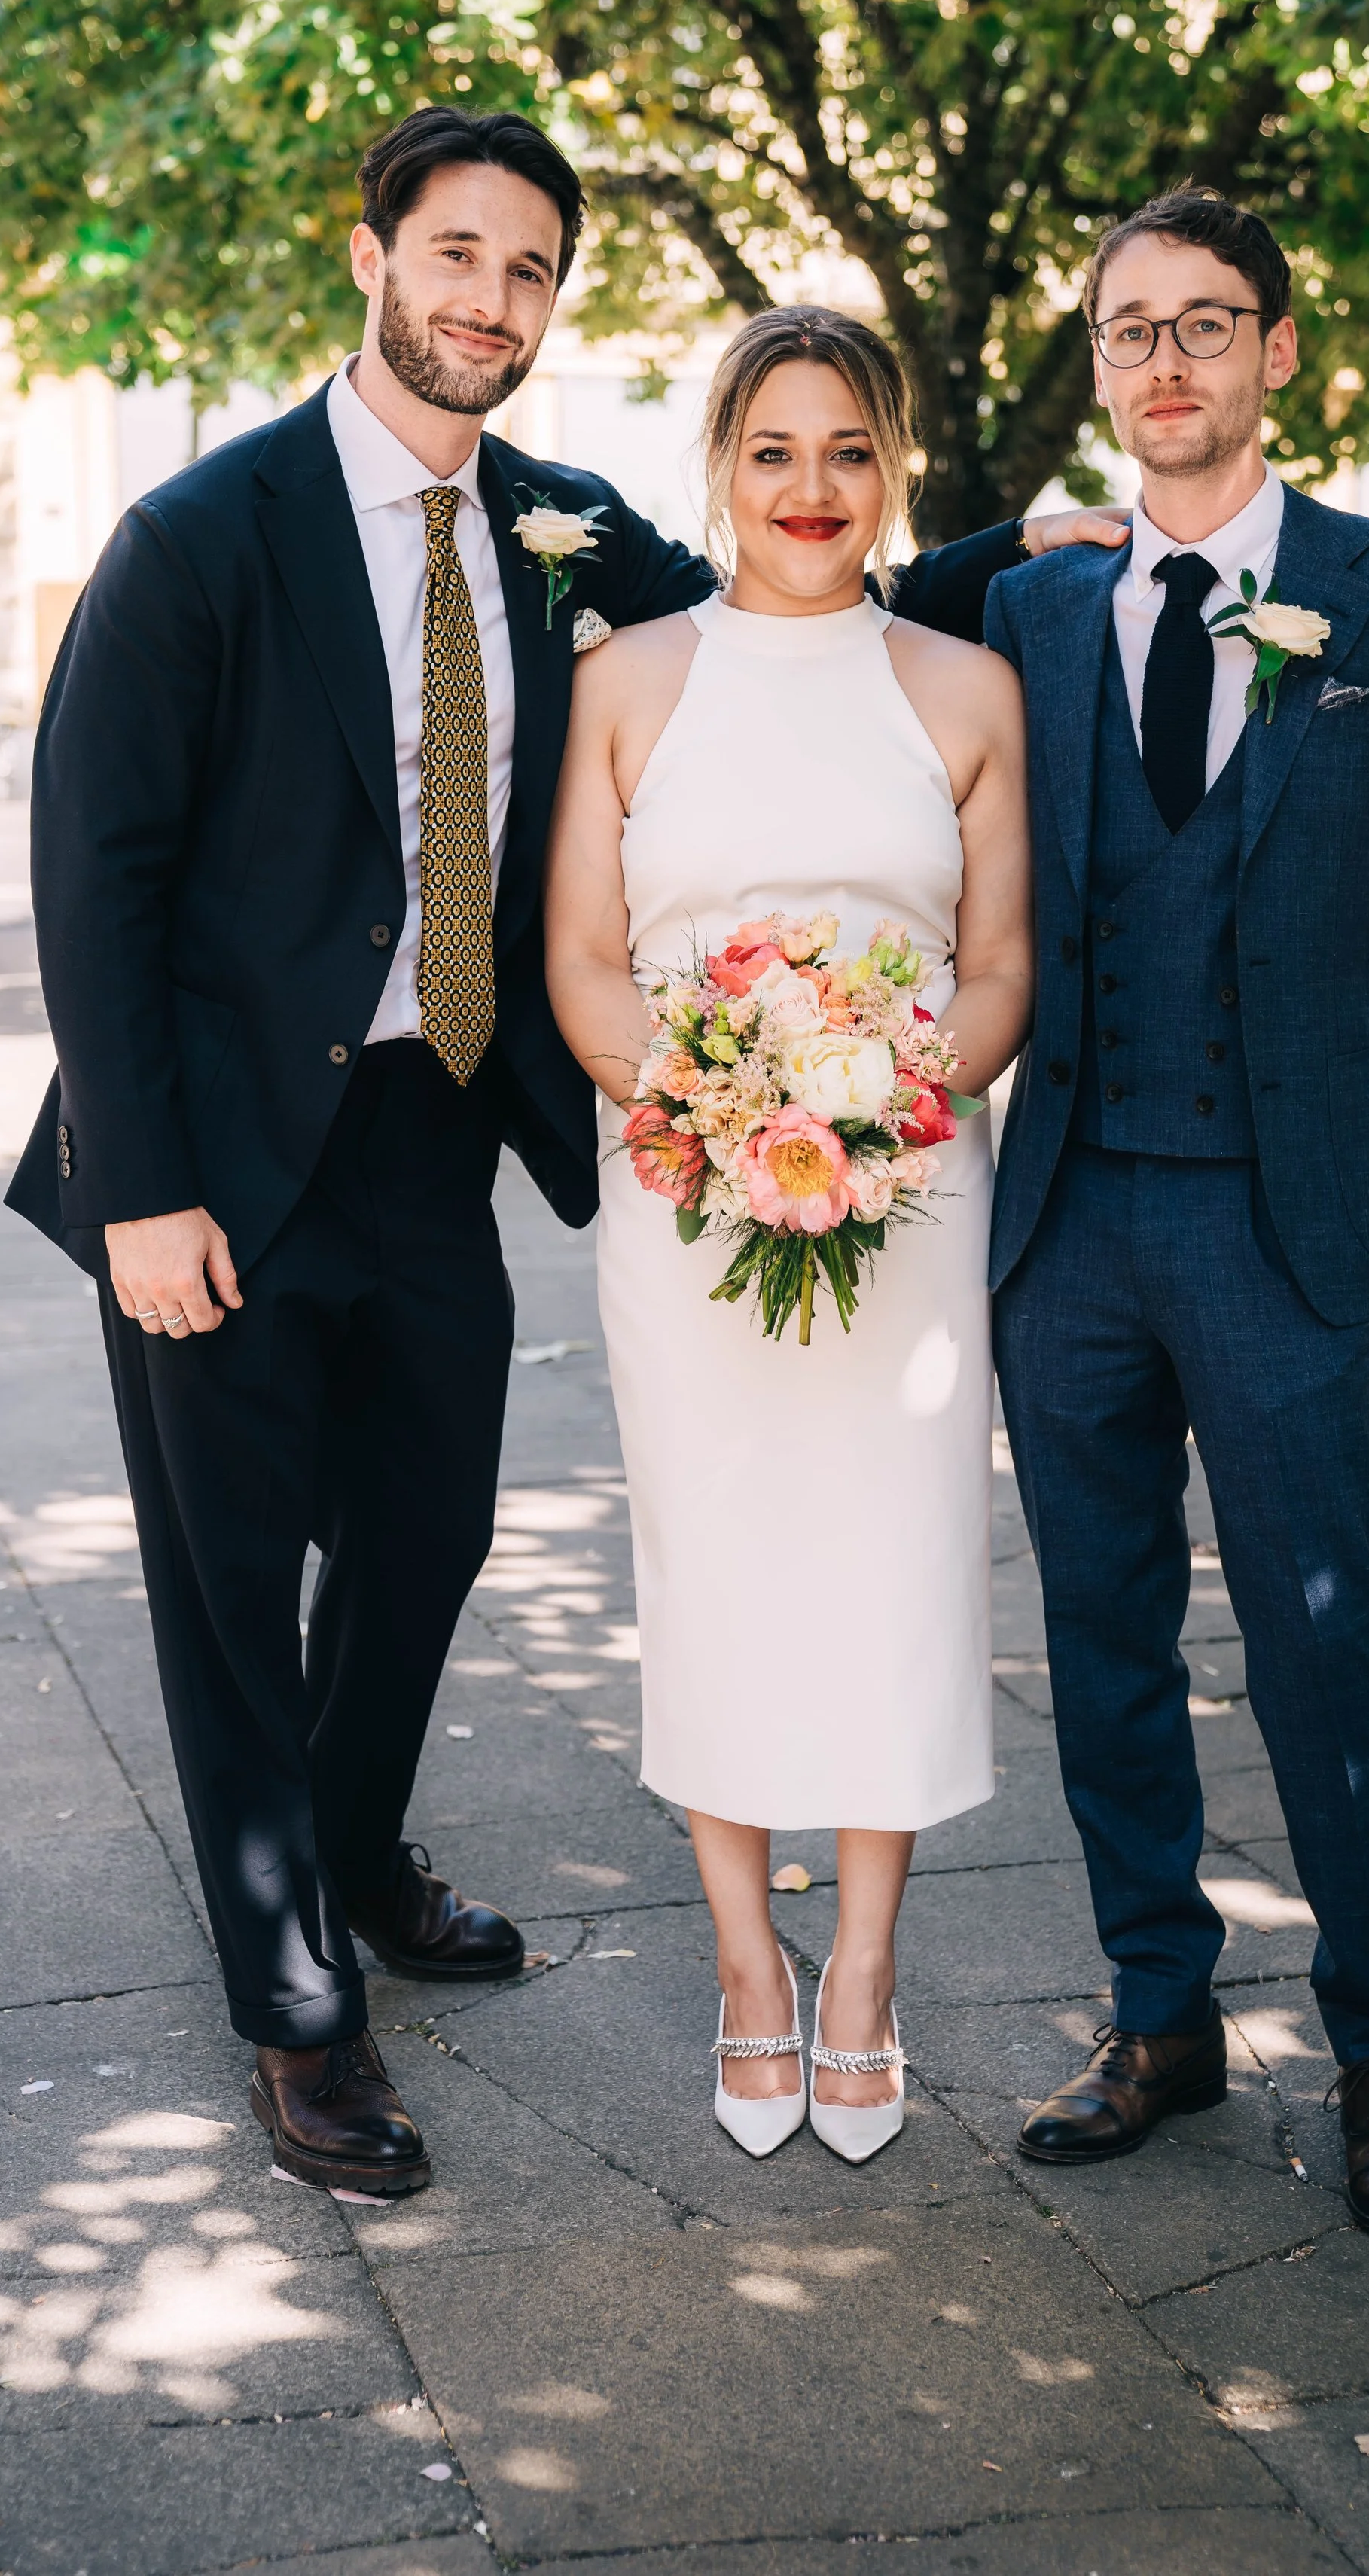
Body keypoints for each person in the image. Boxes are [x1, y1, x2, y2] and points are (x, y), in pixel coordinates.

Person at [6, 105, 1123, 2196]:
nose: (486, 302)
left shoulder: (564, 525)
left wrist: (1008, 571)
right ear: (372, 257)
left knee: (425, 1538)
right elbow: (98, 866)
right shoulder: (204, 532)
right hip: (222, 1151)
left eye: (526, 272)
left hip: (433, 1130)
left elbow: (786, 603)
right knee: (235, 1583)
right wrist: (139, 1185)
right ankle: (295, 1998)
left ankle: (350, 1848)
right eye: (455, 255)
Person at [986, 191, 1369, 2239]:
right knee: (1100, 1633)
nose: (1167, 363)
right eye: (1130, 329)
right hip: (1068, 1220)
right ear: (1099, 361)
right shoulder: (1037, 610)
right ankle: (1156, 2010)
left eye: (1209, 325)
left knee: (1323, 1637)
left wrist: (1319, 1047)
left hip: (1280, 1220)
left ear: (1281, 351)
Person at [544, 307, 1032, 2162]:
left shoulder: (962, 690)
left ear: (892, 461)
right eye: (771, 449)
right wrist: (709, 1111)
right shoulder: (633, 679)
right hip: (685, 1197)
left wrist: (887, 1099)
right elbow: (586, 954)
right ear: (721, 467)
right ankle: (752, 1961)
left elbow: (998, 965)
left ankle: (866, 1973)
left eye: (846, 450)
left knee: (902, 1565)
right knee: (720, 1562)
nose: (809, 488)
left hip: (906, 1193)